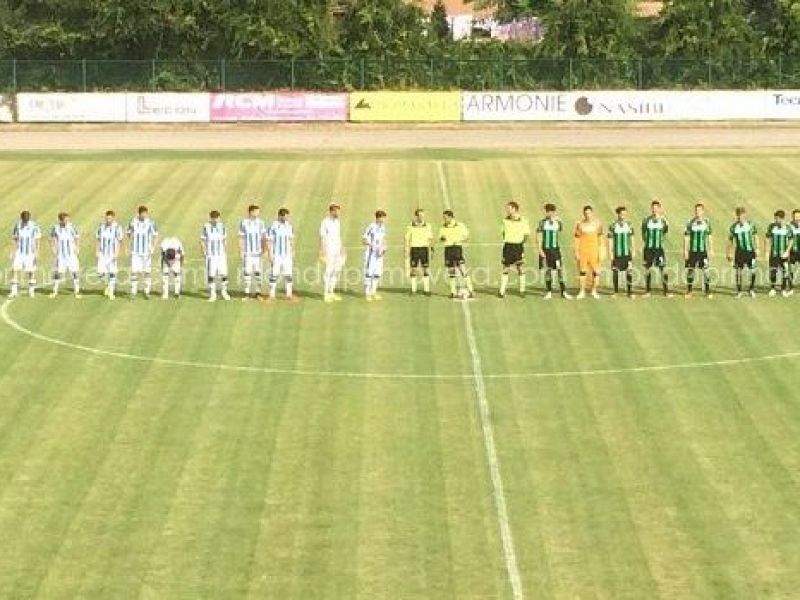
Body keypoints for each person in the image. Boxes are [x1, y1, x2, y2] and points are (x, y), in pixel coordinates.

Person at [536, 203, 571, 300]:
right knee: (548, 270)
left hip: (555, 250)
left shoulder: (558, 222)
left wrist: (559, 248)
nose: (548, 213)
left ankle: (563, 291)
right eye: (547, 211)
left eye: (550, 212)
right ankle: (548, 292)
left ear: (554, 212)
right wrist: (539, 250)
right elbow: (538, 236)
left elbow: (559, 234)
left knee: (560, 269)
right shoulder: (542, 223)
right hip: (545, 249)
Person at [438, 210, 474, 299]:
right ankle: (453, 292)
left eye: (445, 218)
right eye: (444, 218)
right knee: (451, 271)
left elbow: (466, 235)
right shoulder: (443, 227)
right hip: (448, 249)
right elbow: (440, 237)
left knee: (462, 270)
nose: (444, 219)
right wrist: (443, 238)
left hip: (457, 248)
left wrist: (459, 239)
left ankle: (471, 290)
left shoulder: (460, 225)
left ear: (450, 217)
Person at [499, 201, 530, 298]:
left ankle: (522, 290)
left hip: (518, 246)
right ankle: (502, 291)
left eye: (509, 208)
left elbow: (526, 235)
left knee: (520, 267)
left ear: (514, 209)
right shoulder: (504, 220)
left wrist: (520, 243)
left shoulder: (523, 220)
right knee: (505, 267)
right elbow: (503, 232)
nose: (507, 210)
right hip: (508, 246)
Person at [266, 207, 297, 302]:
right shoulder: (273, 226)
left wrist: (292, 251)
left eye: (287, 217)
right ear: (280, 216)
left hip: (287, 255)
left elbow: (290, 239)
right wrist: (270, 254)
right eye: (285, 217)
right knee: (274, 274)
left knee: (288, 274)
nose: (287, 218)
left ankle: (289, 294)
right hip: (277, 255)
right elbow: (269, 241)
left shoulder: (289, 226)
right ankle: (271, 295)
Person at [127, 205, 158, 298]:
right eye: (143, 214)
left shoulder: (151, 223)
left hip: (146, 252)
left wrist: (153, 247)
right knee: (134, 272)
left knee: (147, 272)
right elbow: (128, 233)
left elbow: (156, 235)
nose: (144, 215)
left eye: (146, 213)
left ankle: (147, 292)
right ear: (139, 214)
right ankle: (133, 292)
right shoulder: (133, 222)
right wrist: (131, 244)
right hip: (136, 252)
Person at [641, 200, 671, 297]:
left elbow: (665, 232)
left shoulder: (663, 221)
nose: (654, 210)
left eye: (656, 208)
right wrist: (646, 242)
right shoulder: (646, 220)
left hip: (659, 249)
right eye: (653, 208)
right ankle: (647, 291)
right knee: (647, 270)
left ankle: (666, 291)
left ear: (659, 209)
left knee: (663, 269)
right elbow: (643, 232)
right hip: (648, 249)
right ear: (651, 209)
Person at [684, 203, 714, 299]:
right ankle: (689, 291)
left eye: (699, 211)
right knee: (691, 270)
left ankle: (707, 290)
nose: (698, 213)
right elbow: (686, 237)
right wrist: (685, 250)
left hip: (702, 251)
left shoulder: (707, 222)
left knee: (706, 271)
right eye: (696, 211)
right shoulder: (690, 222)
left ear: (703, 211)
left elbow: (709, 237)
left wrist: (711, 249)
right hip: (692, 251)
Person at [9, 210, 41, 298]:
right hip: (19, 252)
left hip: (30, 252)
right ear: (21, 218)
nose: (25, 221)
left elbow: (37, 239)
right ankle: (13, 291)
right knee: (15, 270)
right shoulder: (17, 225)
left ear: (29, 218)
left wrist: (37, 252)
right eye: (24, 220)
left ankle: (31, 291)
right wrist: (12, 252)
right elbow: (14, 239)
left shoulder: (34, 226)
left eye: (26, 220)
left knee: (31, 271)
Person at [727, 206, 758, 298]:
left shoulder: (751, 225)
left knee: (753, 270)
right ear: (737, 216)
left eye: (742, 215)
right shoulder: (733, 227)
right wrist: (729, 252)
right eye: (739, 216)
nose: (741, 218)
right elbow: (730, 241)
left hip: (750, 251)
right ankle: (739, 291)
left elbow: (756, 236)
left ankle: (751, 289)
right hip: (739, 253)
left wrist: (758, 248)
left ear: (745, 215)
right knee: (738, 271)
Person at [573, 205, 603, 299]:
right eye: (586, 213)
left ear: (592, 213)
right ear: (583, 214)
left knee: (596, 272)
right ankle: (582, 291)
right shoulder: (580, 224)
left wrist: (601, 250)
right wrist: (576, 251)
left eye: (589, 213)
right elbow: (577, 238)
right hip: (583, 250)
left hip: (594, 250)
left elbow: (600, 237)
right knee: (582, 271)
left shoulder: (598, 224)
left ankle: (594, 291)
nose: (587, 215)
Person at [239, 204, 267, 300]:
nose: (258, 213)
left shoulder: (261, 223)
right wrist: (241, 251)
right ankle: (246, 294)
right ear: (251, 212)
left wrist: (264, 250)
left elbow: (264, 237)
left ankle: (258, 293)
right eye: (256, 211)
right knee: (247, 273)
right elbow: (241, 237)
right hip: (248, 253)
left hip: (258, 253)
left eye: (258, 211)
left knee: (258, 273)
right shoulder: (244, 222)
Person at [49, 212, 81, 298]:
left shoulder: (71, 227)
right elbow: (52, 238)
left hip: (71, 255)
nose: (67, 221)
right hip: (61, 255)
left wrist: (77, 248)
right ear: (60, 220)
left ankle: (77, 292)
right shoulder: (55, 228)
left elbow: (77, 237)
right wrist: (53, 248)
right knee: (58, 273)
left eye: (67, 219)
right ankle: (55, 291)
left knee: (74, 272)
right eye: (65, 220)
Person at [201, 210, 230, 302]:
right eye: (214, 218)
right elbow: (202, 240)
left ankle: (224, 292)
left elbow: (224, 239)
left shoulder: (223, 226)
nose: (216, 220)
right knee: (211, 275)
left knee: (224, 274)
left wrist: (225, 251)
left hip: (221, 255)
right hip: (211, 255)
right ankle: (213, 295)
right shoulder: (206, 226)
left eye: (217, 218)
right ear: (211, 218)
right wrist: (204, 252)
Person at [608, 206, 636, 298]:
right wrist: (610, 253)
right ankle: (615, 292)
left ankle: (630, 292)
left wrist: (633, 249)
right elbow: (610, 239)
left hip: (626, 253)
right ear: (618, 214)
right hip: (617, 252)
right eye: (622, 214)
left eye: (625, 214)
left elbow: (632, 238)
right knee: (615, 271)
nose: (623, 216)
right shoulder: (613, 225)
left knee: (629, 271)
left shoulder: (630, 225)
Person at [764, 210, 794, 298]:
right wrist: (766, 251)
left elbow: (791, 240)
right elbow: (767, 238)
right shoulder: (771, 227)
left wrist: (787, 251)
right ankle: (772, 288)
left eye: (777, 219)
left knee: (785, 272)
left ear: (782, 219)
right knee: (773, 271)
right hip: (774, 254)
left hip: (783, 255)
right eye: (775, 218)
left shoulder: (788, 228)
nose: (776, 220)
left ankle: (783, 289)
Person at [319, 202, 345, 303]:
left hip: (337, 249)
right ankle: (326, 294)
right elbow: (322, 236)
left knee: (336, 270)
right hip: (329, 249)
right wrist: (322, 249)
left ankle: (331, 292)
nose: (338, 213)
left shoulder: (337, 222)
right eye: (336, 211)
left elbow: (338, 235)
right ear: (331, 211)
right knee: (328, 271)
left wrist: (342, 247)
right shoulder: (325, 222)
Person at [96, 210, 124, 300]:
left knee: (112, 272)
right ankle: (109, 285)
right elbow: (98, 239)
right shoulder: (101, 226)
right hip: (102, 254)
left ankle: (111, 293)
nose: (108, 220)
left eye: (110, 218)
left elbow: (120, 240)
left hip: (112, 254)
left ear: (113, 218)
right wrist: (97, 250)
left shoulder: (117, 227)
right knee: (100, 273)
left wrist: (117, 253)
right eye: (107, 218)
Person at [404, 208, 433, 296]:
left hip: (424, 249)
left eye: (423, 215)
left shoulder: (428, 225)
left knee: (426, 269)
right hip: (415, 249)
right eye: (420, 215)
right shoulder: (411, 226)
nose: (421, 217)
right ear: (416, 216)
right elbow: (407, 238)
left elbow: (430, 238)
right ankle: (413, 290)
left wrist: (432, 250)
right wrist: (406, 250)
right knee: (413, 270)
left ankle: (426, 290)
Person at [363, 210, 388, 301]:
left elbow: (383, 238)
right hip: (371, 254)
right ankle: (367, 293)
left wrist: (384, 247)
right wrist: (372, 246)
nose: (384, 220)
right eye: (383, 218)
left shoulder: (383, 227)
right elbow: (364, 239)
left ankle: (373, 292)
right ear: (378, 218)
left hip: (379, 254)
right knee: (369, 273)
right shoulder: (371, 226)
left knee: (377, 273)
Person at [790, 209, 800, 295]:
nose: (797, 217)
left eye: (798, 216)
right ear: (792, 216)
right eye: (795, 216)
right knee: (791, 269)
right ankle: (791, 287)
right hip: (792, 252)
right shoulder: (789, 226)